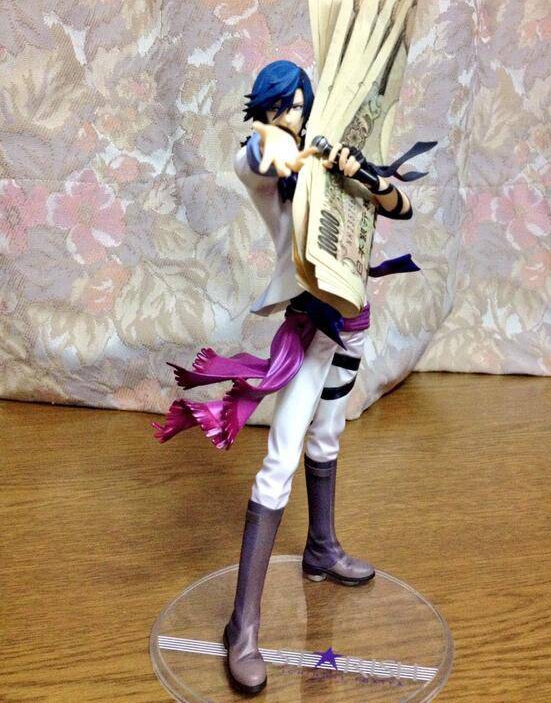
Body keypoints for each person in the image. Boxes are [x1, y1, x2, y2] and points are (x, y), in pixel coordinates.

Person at [153, 59, 431, 695]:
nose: (294, 118)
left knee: (327, 438)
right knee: (279, 460)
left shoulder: (328, 158)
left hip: (354, 325)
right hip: (311, 326)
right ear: (265, 110)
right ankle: (242, 625)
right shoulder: (266, 162)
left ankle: (321, 548)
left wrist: (356, 169)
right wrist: (286, 144)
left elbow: (402, 205)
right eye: (282, 108)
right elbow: (258, 156)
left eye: (300, 107)